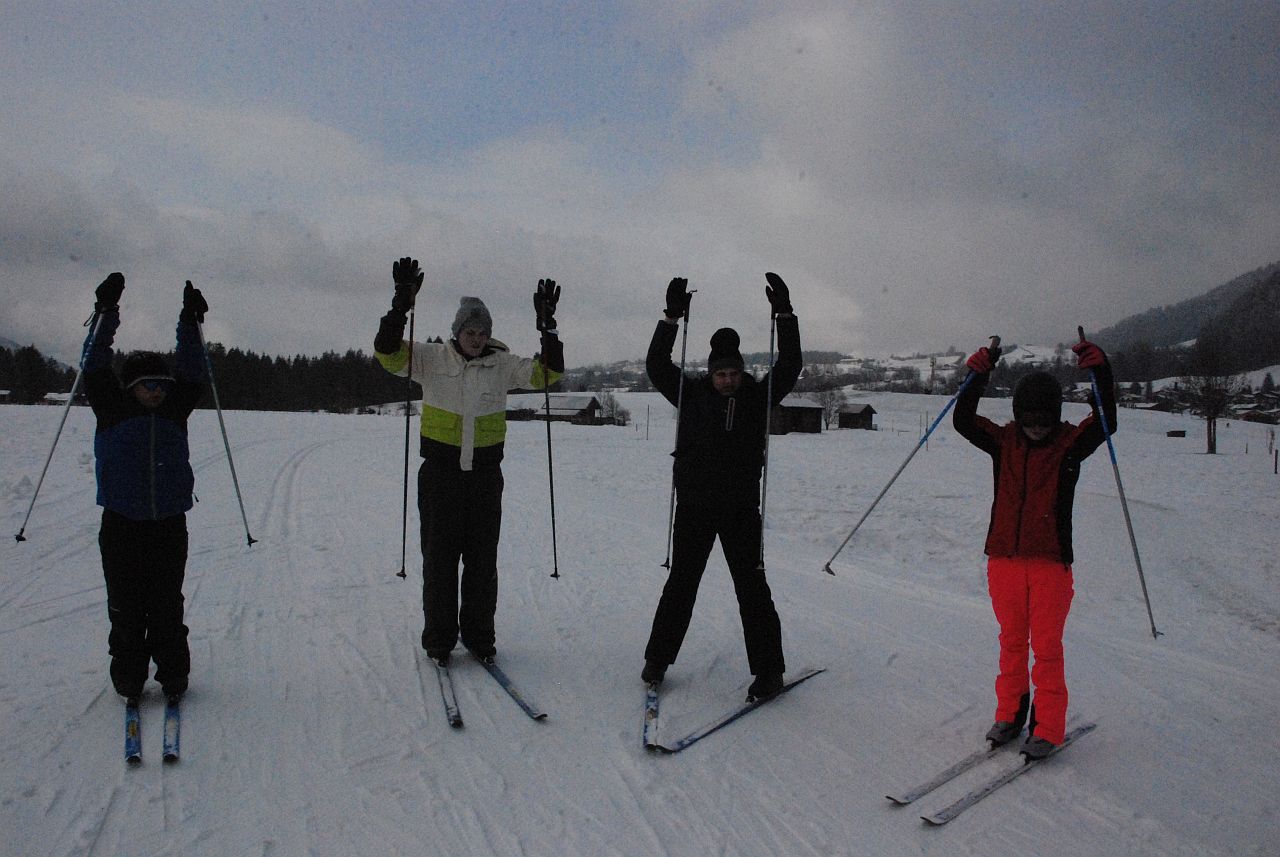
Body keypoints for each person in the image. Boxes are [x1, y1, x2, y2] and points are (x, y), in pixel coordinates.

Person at [373, 257, 564, 666]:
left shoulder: (503, 364)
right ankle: (439, 640)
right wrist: (399, 306)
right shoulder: (430, 358)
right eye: (469, 331)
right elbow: (387, 353)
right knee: (439, 562)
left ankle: (479, 638)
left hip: (484, 477)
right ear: (456, 332)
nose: (475, 338)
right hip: (439, 476)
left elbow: (549, 374)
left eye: (481, 332)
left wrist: (548, 328)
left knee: (481, 563)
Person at [952, 337, 1115, 758]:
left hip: (1049, 564)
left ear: (1056, 416)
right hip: (1003, 560)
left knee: (1046, 648)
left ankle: (1048, 726)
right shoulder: (1003, 442)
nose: (1037, 426)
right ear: (1018, 415)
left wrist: (1100, 372)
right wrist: (978, 374)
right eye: (1029, 418)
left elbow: (1106, 422)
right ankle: (1009, 714)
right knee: (1010, 641)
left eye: (1045, 419)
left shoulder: (1068, 447)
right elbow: (963, 420)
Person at [641, 273, 802, 701]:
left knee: (752, 588)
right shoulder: (691, 395)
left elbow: (790, 366)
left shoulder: (756, 398)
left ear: (741, 372)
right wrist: (671, 317)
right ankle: (657, 660)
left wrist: (785, 315)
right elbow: (656, 364)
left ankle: (769, 671)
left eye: (733, 372)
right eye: (721, 373)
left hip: (741, 510)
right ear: (711, 373)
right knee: (682, 583)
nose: (728, 379)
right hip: (694, 506)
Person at [82, 273, 209, 705]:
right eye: (147, 386)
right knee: (126, 607)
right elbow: (94, 363)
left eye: (161, 385)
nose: (156, 393)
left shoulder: (175, 411)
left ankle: (173, 676)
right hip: (121, 525)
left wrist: (189, 322)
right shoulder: (111, 408)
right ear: (131, 388)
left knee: (167, 606)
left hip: (168, 525)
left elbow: (193, 369)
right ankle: (129, 678)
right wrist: (106, 312)